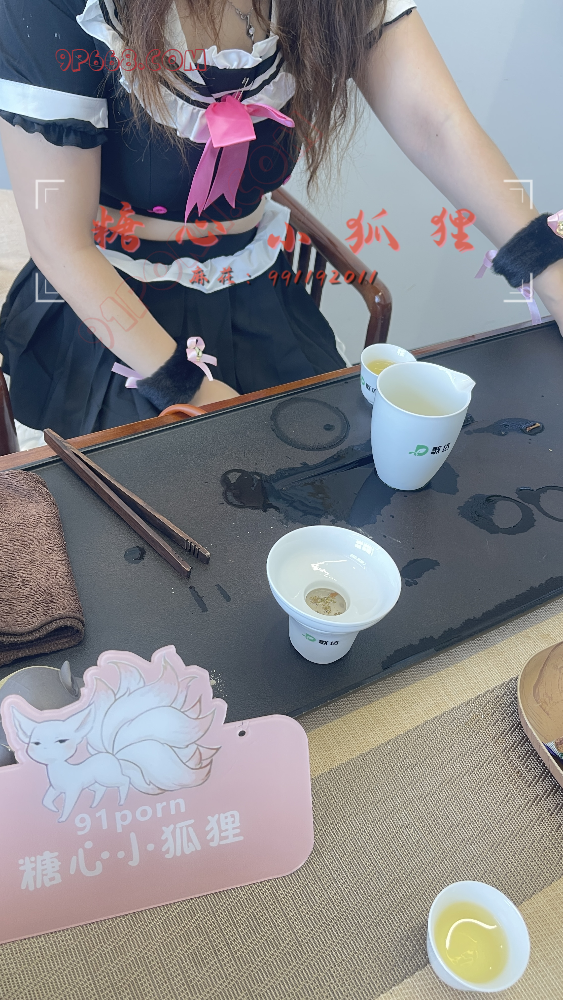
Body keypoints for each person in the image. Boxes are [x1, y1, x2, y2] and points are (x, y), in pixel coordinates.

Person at [0, 0, 562, 438]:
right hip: (110, 304)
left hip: (256, 285)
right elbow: (60, 242)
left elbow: (436, 123)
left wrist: (547, 263)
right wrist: (185, 386)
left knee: (324, 479)